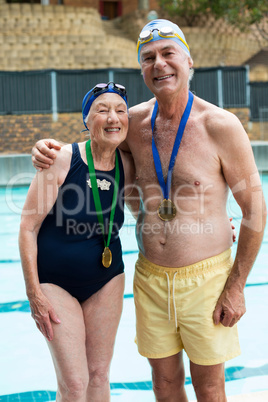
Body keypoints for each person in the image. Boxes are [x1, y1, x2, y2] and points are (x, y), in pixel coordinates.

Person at [31, 19, 266, 402]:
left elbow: (256, 211)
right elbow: (93, 153)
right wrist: (46, 147)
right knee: (164, 384)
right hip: (151, 278)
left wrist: (236, 287)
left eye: (168, 53)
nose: (159, 64)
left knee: (209, 386)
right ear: (141, 69)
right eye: (148, 58)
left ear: (189, 61)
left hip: (206, 281)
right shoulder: (134, 122)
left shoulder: (220, 126)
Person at [19, 82, 136, 402]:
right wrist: (34, 292)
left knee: (99, 376)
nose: (113, 117)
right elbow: (28, 227)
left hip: (107, 280)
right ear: (87, 120)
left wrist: (218, 221)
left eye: (121, 111)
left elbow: (165, 204)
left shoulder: (128, 165)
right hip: (56, 283)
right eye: (102, 110)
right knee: (74, 383)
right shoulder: (60, 159)